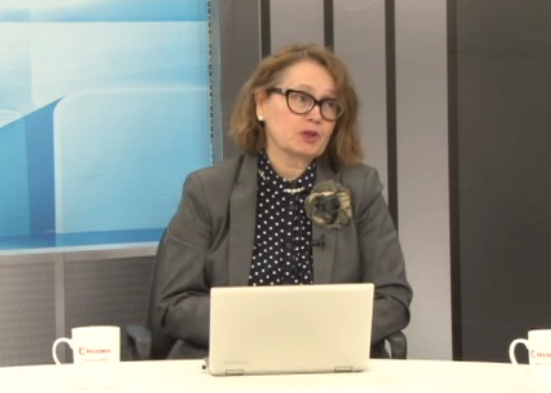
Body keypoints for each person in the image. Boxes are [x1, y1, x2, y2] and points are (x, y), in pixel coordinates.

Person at [157, 43, 412, 359]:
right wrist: (269, 331)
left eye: (329, 104)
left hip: (330, 361)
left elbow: (393, 298)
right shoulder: (208, 190)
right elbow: (175, 304)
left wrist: (316, 336)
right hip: (234, 361)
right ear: (261, 103)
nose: (316, 115)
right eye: (301, 98)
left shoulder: (360, 188)